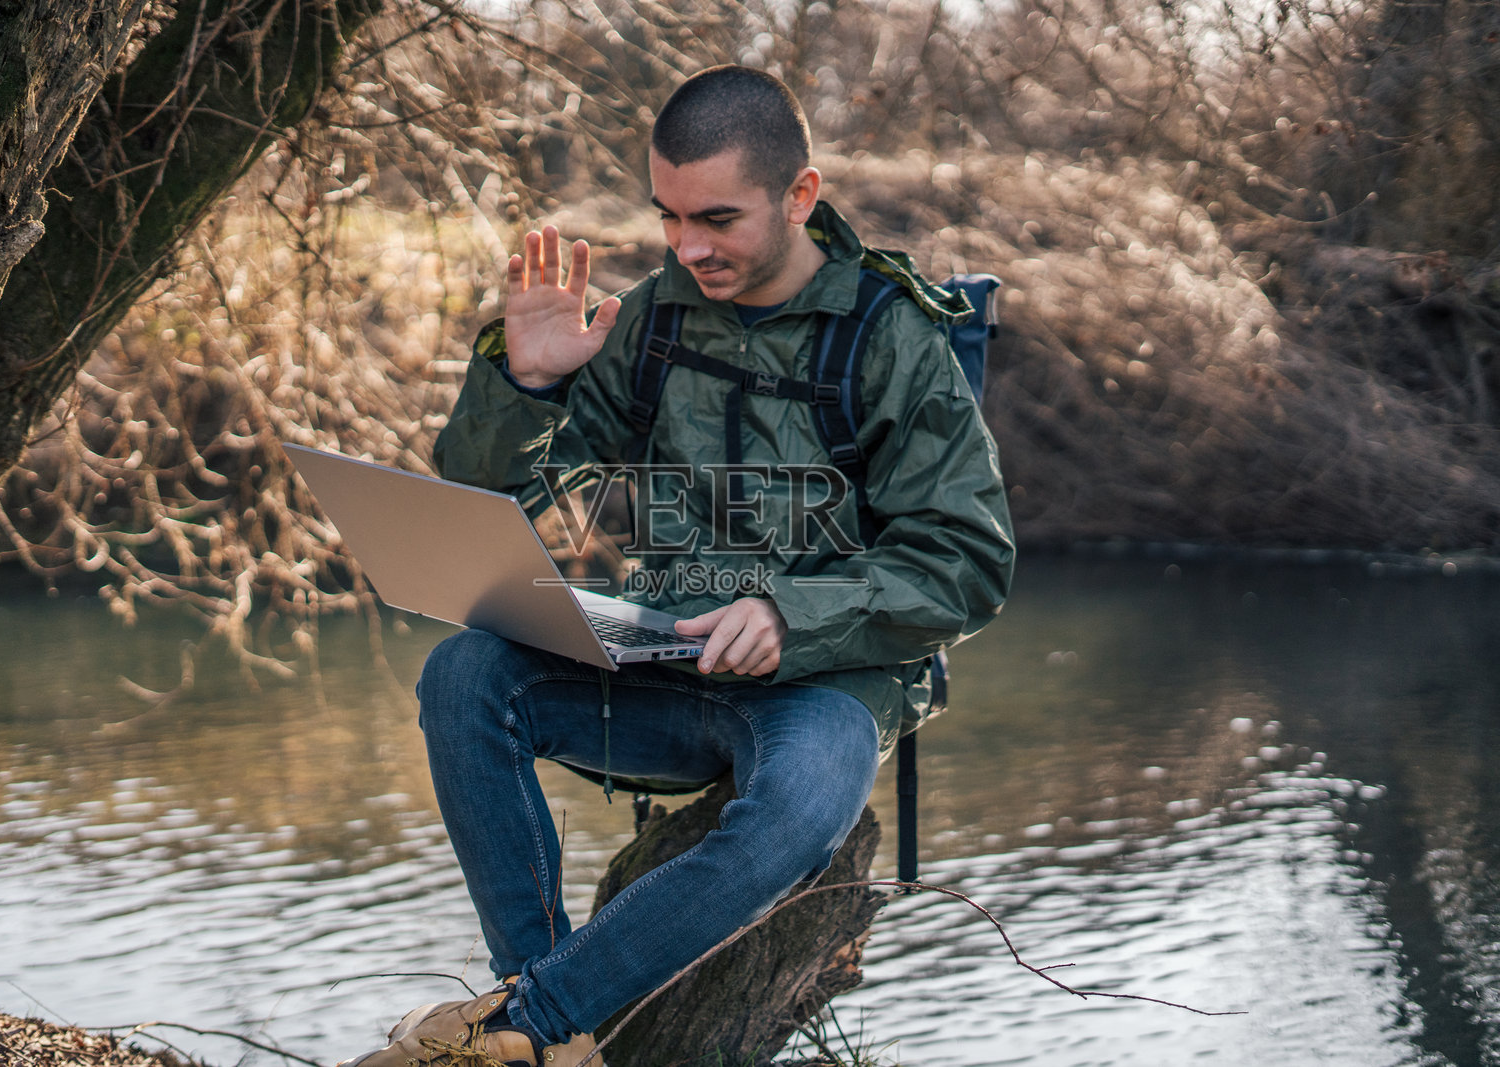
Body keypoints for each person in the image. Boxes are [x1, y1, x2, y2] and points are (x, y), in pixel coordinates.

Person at [341, 64, 1015, 1067]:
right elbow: (491, 495)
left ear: (800, 195)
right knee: (465, 673)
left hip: (829, 686)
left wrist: (790, 614)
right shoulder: (653, 320)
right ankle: (535, 1018)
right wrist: (527, 383)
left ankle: (526, 1026)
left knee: (800, 806)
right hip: (664, 663)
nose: (687, 246)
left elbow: (967, 560)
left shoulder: (891, 337)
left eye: (717, 218)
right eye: (669, 215)